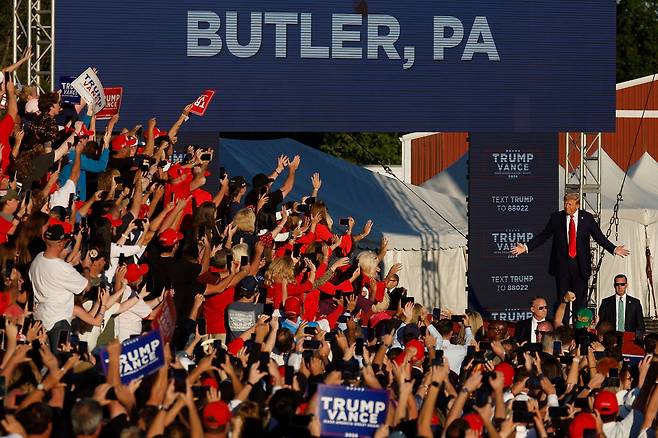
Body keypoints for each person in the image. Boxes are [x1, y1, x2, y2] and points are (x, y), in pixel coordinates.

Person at [511, 192, 630, 311]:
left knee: (580, 305)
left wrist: (613, 248)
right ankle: (564, 328)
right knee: (563, 303)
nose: (567, 207)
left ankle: (579, 329)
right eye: (565, 204)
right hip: (562, 268)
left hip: (580, 268)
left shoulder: (587, 218)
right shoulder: (556, 218)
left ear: (577, 205)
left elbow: (599, 237)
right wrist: (526, 247)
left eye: (570, 204)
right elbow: (544, 235)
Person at [29, 223, 90, 349]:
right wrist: (86, 268)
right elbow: (86, 286)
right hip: (59, 321)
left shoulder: (37, 259)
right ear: (60, 244)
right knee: (62, 358)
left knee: (45, 360)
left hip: (40, 318)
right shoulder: (63, 268)